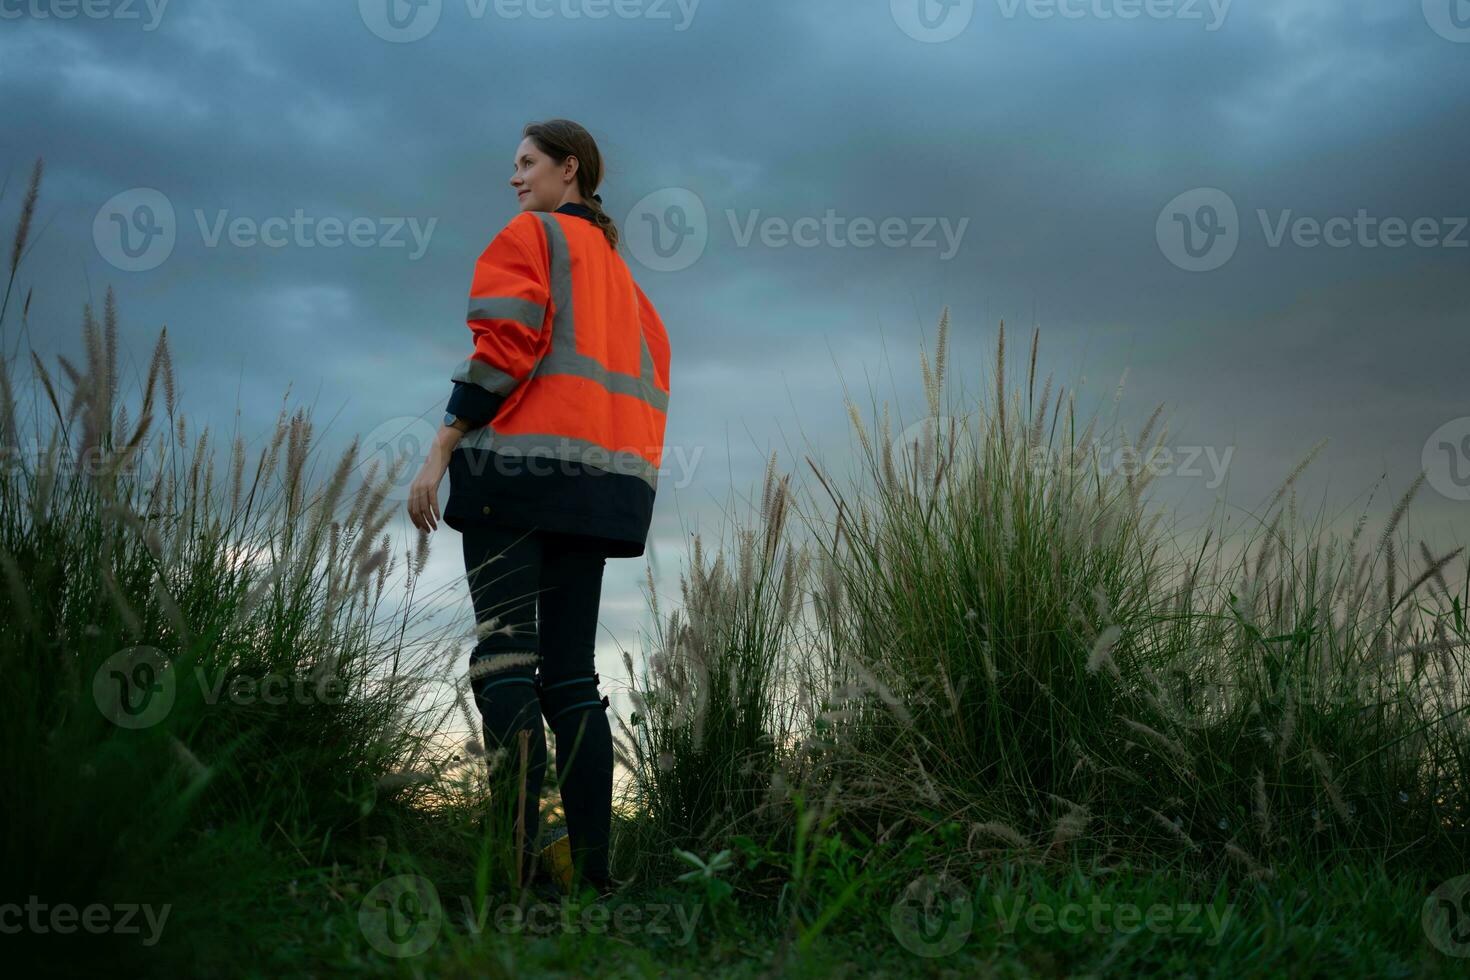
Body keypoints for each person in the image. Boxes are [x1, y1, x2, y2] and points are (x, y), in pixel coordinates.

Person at [406, 119, 672, 900]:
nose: (515, 179)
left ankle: (519, 876)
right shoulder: (627, 284)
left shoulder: (532, 237)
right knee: (571, 682)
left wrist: (443, 444)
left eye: (526, 164)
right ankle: (593, 880)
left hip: (516, 482)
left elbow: (506, 345)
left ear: (569, 169)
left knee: (502, 667)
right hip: (597, 493)